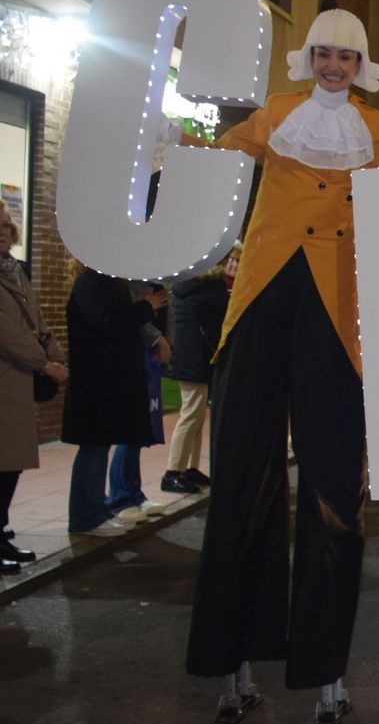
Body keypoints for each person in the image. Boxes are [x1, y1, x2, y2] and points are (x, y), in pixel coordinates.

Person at [184, 9, 379, 724]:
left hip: (335, 317)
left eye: (347, 55)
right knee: (242, 482)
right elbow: (217, 163)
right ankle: (233, 659)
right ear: (307, 56)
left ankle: (326, 672)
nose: (334, 65)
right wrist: (174, 156)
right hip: (260, 300)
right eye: (324, 52)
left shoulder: (377, 133)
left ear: (361, 64)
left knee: (331, 492)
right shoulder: (276, 114)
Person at [61, 265, 168, 538]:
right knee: (93, 448)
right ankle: (87, 517)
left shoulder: (105, 282)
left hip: (105, 383)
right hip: (96, 384)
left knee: (99, 446)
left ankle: (96, 510)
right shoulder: (91, 283)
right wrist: (145, 306)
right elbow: (110, 322)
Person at [0, 207, 68, 571]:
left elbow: (36, 319)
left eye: (6, 225)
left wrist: (53, 351)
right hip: (7, 378)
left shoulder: (15, 270)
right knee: (3, 463)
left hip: (18, 382)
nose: (3, 232)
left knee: (11, 465)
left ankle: (1, 532)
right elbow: (7, 335)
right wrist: (44, 364)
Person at [161, 261, 229, 494]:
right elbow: (227, 312)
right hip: (198, 357)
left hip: (185, 355)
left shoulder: (182, 286)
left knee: (196, 414)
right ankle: (172, 472)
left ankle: (189, 468)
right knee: (191, 414)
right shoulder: (212, 287)